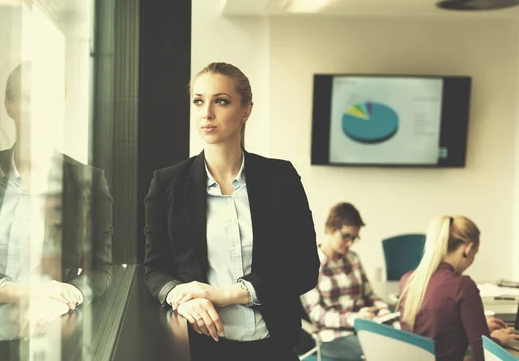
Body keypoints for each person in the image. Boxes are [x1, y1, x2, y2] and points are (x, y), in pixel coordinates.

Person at [143, 62, 319, 361]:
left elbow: (304, 269)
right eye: (198, 101)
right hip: (201, 349)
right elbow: (154, 268)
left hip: (273, 346)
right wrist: (178, 297)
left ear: (246, 110)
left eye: (220, 101)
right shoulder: (168, 183)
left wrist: (224, 294)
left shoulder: (280, 178)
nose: (206, 113)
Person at [0, 62, 114, 358]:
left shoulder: (87, 181)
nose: (39, 110)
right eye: (29, 97)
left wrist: (60, 300)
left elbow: (101, 271)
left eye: (50, 100)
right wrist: (32, 292)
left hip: (50, 337)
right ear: (9, 106)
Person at [398, 216, 519, 361]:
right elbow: (482, 355)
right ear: (468, 249)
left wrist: (479, 329)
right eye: (475, 253)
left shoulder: (408, 280)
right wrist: (497, 340)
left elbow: (437, 333)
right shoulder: (462, 285)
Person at [301, 202, 390, 361]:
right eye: (346, 236)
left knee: (399, 341)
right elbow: (317, 315)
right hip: (332, 337)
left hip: (363, 330)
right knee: (382, 352)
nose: (350, 243)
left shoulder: (353, 258)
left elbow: (370, 295)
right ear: (330, 229)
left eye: (354, 238)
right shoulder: (308, 263)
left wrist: (383, 311)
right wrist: (354, 319)